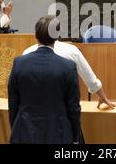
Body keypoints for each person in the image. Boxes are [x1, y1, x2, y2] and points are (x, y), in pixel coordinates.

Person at [8, 16, 81, 144]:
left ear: (35, 35)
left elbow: (13, 102)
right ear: (57, 36)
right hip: (58, 134)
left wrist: (16, 128)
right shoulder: (68, 67)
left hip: (24, 132)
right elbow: (73, 107)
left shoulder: (19, 63)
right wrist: (75, 137)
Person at [23, 30, 116, 109]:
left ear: (36, 35)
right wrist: (102, 96)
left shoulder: (26, 53)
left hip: (32, 112)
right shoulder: (71, 50)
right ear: (57, 34)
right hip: (61, 113)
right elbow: (90, 79)